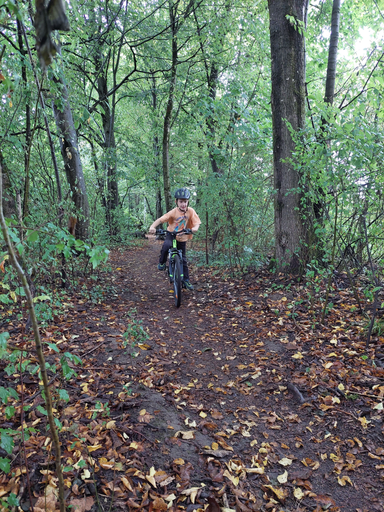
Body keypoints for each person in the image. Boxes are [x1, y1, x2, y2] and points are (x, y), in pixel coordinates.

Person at [148, 188, 201, 291]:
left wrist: (193, 229)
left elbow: (197, 223)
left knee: (184, 260)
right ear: (176, 202)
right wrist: (152, 227)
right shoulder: (173, 212)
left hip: (183, 237)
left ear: (188, 202)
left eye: (185, 201)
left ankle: (186, 280)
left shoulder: (190, 211)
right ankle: (162, 262)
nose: (183, 204)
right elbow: (161, 219)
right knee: (166, 246)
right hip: (171, 234)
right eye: (181, 201)